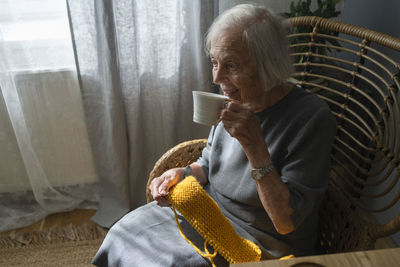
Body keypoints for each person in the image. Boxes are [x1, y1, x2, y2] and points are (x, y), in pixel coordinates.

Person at [92, 4, 337, 266]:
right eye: (214, 63)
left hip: (261, 238)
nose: (217, 77)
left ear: (268, 64)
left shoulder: (311, 118)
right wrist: (183, 173)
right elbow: (210, 161)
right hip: (209, 211)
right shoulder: (236, 99)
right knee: (122, 233)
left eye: (230, 65)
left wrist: (254, 146)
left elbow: (285, 221)